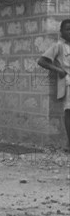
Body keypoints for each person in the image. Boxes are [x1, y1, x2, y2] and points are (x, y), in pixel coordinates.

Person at [37, 19, 70, 151]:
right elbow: (41, 61)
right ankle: (69, 144)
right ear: (61, 32)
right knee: (69, 113)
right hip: (68, 82)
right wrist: (59, 70)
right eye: (67, 29)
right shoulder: (58, 46)